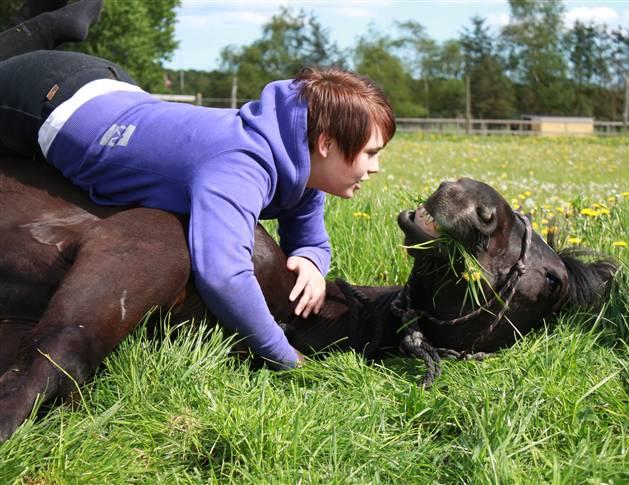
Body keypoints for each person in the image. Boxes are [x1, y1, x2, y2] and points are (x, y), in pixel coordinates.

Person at [0, 1, 396, 369]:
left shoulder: (300, 162)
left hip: (113, 87)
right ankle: (54, 23)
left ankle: (54, 25)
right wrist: (281, 352)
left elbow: (311, 239)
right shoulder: (240, 167)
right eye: (369, 152)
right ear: (326, 143)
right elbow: (225, 275)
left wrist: (311, 260)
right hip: (49, 100)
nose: (374, 167)